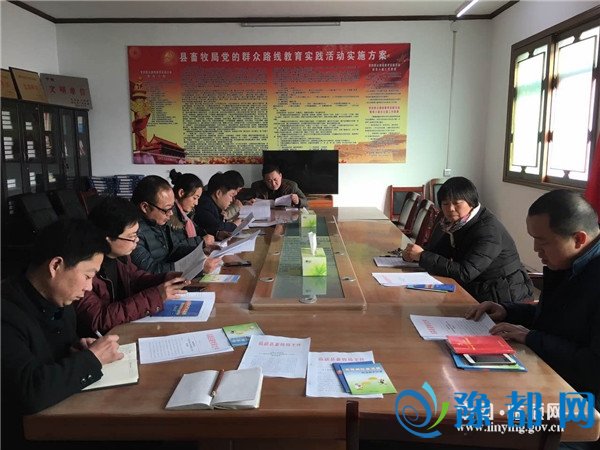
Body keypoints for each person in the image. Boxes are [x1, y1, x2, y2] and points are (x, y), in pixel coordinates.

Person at [466, 190, 600, 437]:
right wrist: (507, 310)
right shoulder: (570, 263)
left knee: (476, 425)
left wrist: (531, 337)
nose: (536, 249)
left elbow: (593, 368)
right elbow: (556, 315)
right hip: (549, 375)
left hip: (581, 407)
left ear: (579, 239)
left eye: (543, 241)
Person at [1, 219, 124, 449]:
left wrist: (77, 349)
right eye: (87, 276)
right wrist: (92, 359)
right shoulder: (6, 314)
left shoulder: (61, 301)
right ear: (56, 265)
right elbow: (30, 392)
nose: (89, 287)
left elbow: (54, 353)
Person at [402, 176, 533, 303]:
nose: (450, 209)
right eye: (445, 204)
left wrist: (422, 256)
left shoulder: (488, 231)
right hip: (478, 287)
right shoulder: (456, 224)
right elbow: (439, 252)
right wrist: (413, 254)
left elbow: (465, 273)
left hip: (502, 295)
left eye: (456, 203)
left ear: (471, 202)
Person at [75, 196, 191, 337]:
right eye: (131, 236)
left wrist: (164, 278)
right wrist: (156, 296)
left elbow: (135, 279)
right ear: (108, 238)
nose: (136, 240)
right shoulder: (84, 269)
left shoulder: (120, 257)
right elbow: (99, 319)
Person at [130, 175, 221, 275]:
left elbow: (176, 249)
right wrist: (196, 266)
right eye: (167, 209)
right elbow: (151, 271)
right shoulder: (132, 232)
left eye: (172, 208)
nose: (171, 213)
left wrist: (201, 251)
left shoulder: (159, 222)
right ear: (145, 207)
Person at [168, 169, 215, 246]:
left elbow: (196, 229)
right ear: (181, 193)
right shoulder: (169, 215)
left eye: (198, 199)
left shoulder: (186, 214)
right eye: (194, 198)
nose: (196, 203)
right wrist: (201, 241)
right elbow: (177, 247)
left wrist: (217, 234)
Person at [194, 172, 241, 240]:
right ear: (218, 193)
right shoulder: (204, 204)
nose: (231, 200)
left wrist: (217, 234)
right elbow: (216, 226)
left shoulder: (212, 204)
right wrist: (234, 225)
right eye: (231, 195)